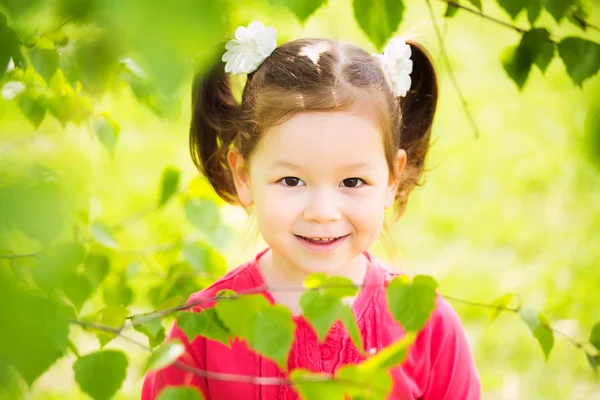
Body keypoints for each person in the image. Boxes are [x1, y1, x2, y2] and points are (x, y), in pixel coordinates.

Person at [142, 21, 481, 400]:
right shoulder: (205, 330)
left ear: (391, 179)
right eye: (291, 181)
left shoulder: (426, 325)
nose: (323, 212)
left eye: (352, 182)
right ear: (243, 175)